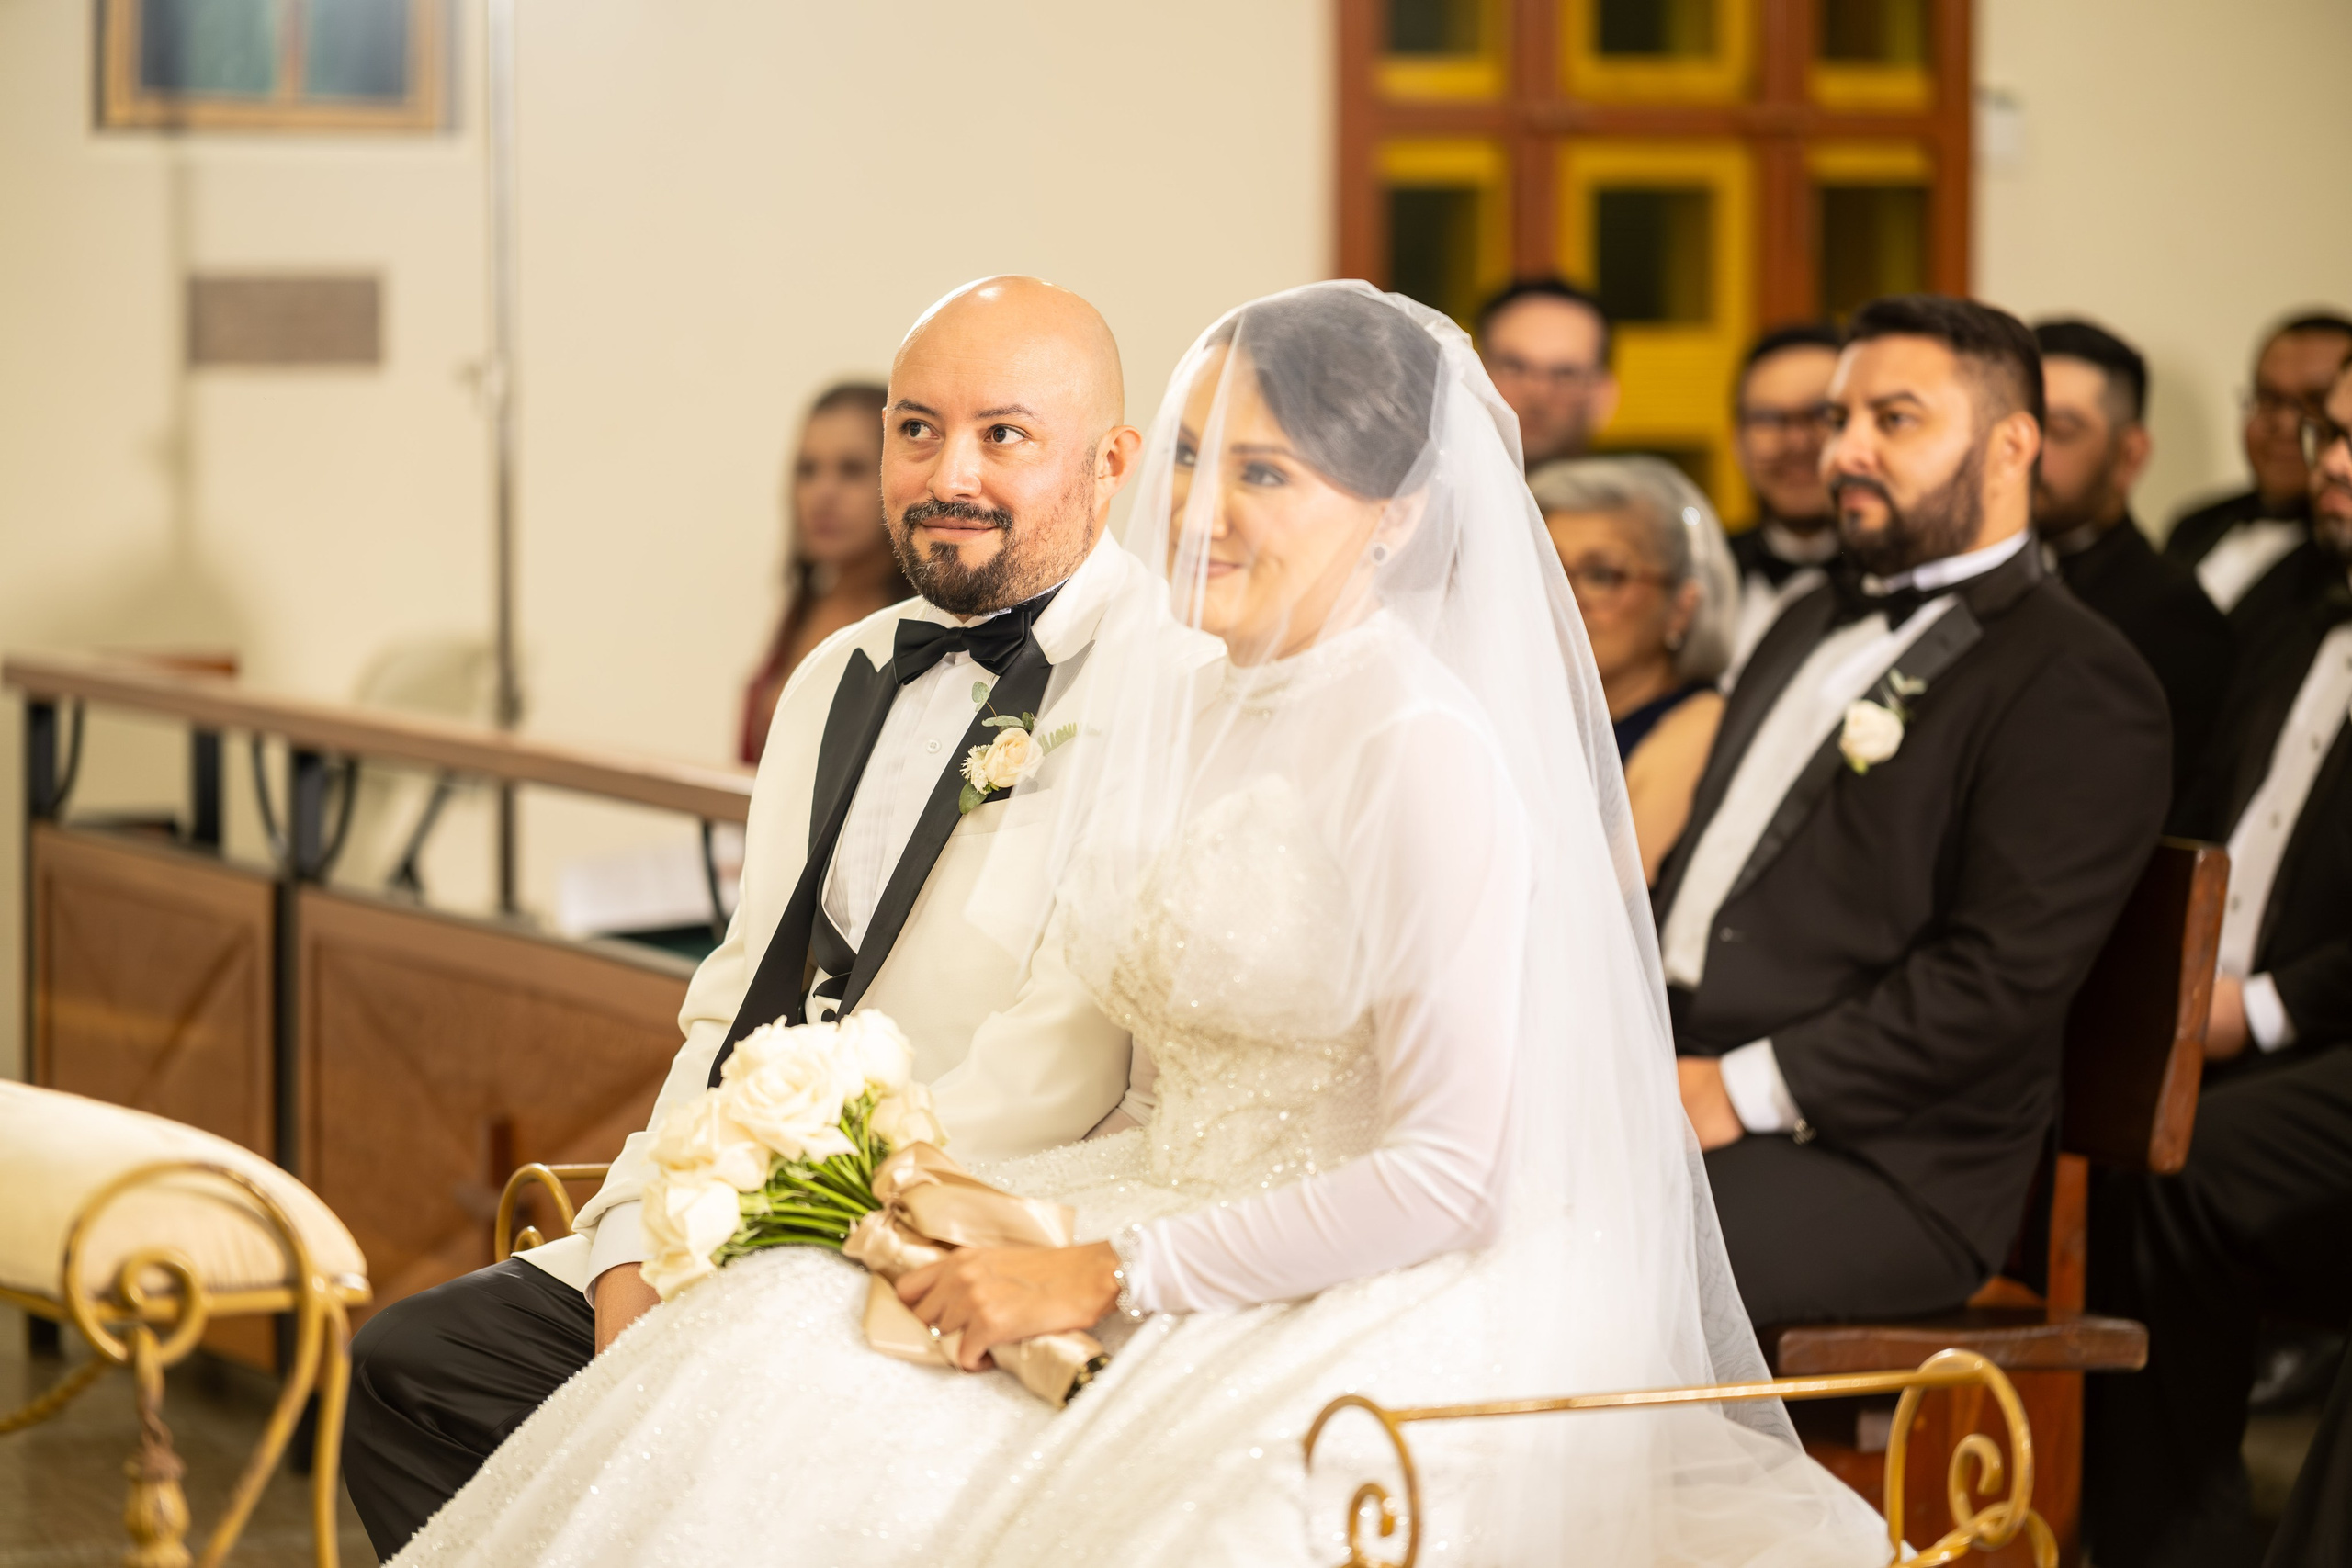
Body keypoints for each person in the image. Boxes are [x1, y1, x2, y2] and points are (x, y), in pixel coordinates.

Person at [380, 284, 1888, 1566]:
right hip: (1133, 1189)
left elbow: (1444, 1171)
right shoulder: (1201, 698)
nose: (1205, 514)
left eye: (1271, 476)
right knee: (769, 1341)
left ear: (1398, 515)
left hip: (1356, 1274)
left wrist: (1098, 1272)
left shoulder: (1419, 748)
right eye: (1197, 460)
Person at [343, 276, 1183, 1558]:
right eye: (918, 429)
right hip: (747, 1198)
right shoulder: (837, 672)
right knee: (412, 1368)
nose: (947, 472)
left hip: (960, 1220)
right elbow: (740, 997)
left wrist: (782, 1233)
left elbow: (1059, 1066)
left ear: (1110, 461)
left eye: (1004, 435)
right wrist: (638, 1236)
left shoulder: (1169, 687)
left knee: (707, 1443)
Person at [1654, 294, 2171, 1327]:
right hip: (1674, 1071)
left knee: (1562, 1259)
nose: (1841, 451)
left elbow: (1995, 980)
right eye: (1837, 419)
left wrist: (1733, 1090)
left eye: (1894, 420)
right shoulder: (1807, 619)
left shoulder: (2075, 680)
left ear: (2011, 443)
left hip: (1880, 1165)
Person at [2086, 355, 2352, 1568]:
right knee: (2083, 1126)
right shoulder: (2296, 608)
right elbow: (2208, 814)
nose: (2331, 460)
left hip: (2318, 1029)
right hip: (2218, 1004)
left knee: (2177, 1165)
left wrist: (2267, 1006)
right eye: (2327, 432)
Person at [2031, 319, 2233, 796]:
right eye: (2017, 425)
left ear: (2130, 455)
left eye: (2060, 430)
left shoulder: (2171, 615)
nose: (2028, 451)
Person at [1529, 456, 1737, 881]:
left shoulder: (1700, 730)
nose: (1563, 598)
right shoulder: (1532, 717)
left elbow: (1617, 920)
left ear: (1683, 605)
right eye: (1544, 569)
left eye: (1602, 575)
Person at [738, 382, 912, 765]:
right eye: (807, 470)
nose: (823, 493)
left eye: (851, 471)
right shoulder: (804, 605)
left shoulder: (924, 627)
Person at [2165, 312, 2352, 637]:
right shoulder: (2195, 523)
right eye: (2268, 398)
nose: (2285, 424)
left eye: (2315, 404)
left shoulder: (2339, 556)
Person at [1726, 323, 1845, 677]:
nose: (1796, 442)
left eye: (1822, 414)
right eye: (1768, 418)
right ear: (1737, 440)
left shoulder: (1912, 584)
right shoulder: (1698, 577)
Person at [1476, 276, 1617, 468]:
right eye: (1513, 368)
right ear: (1474, 375)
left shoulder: (1642, 497)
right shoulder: (1426, 495)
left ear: (1602, 396)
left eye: (1565, 375)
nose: (1537, 392)